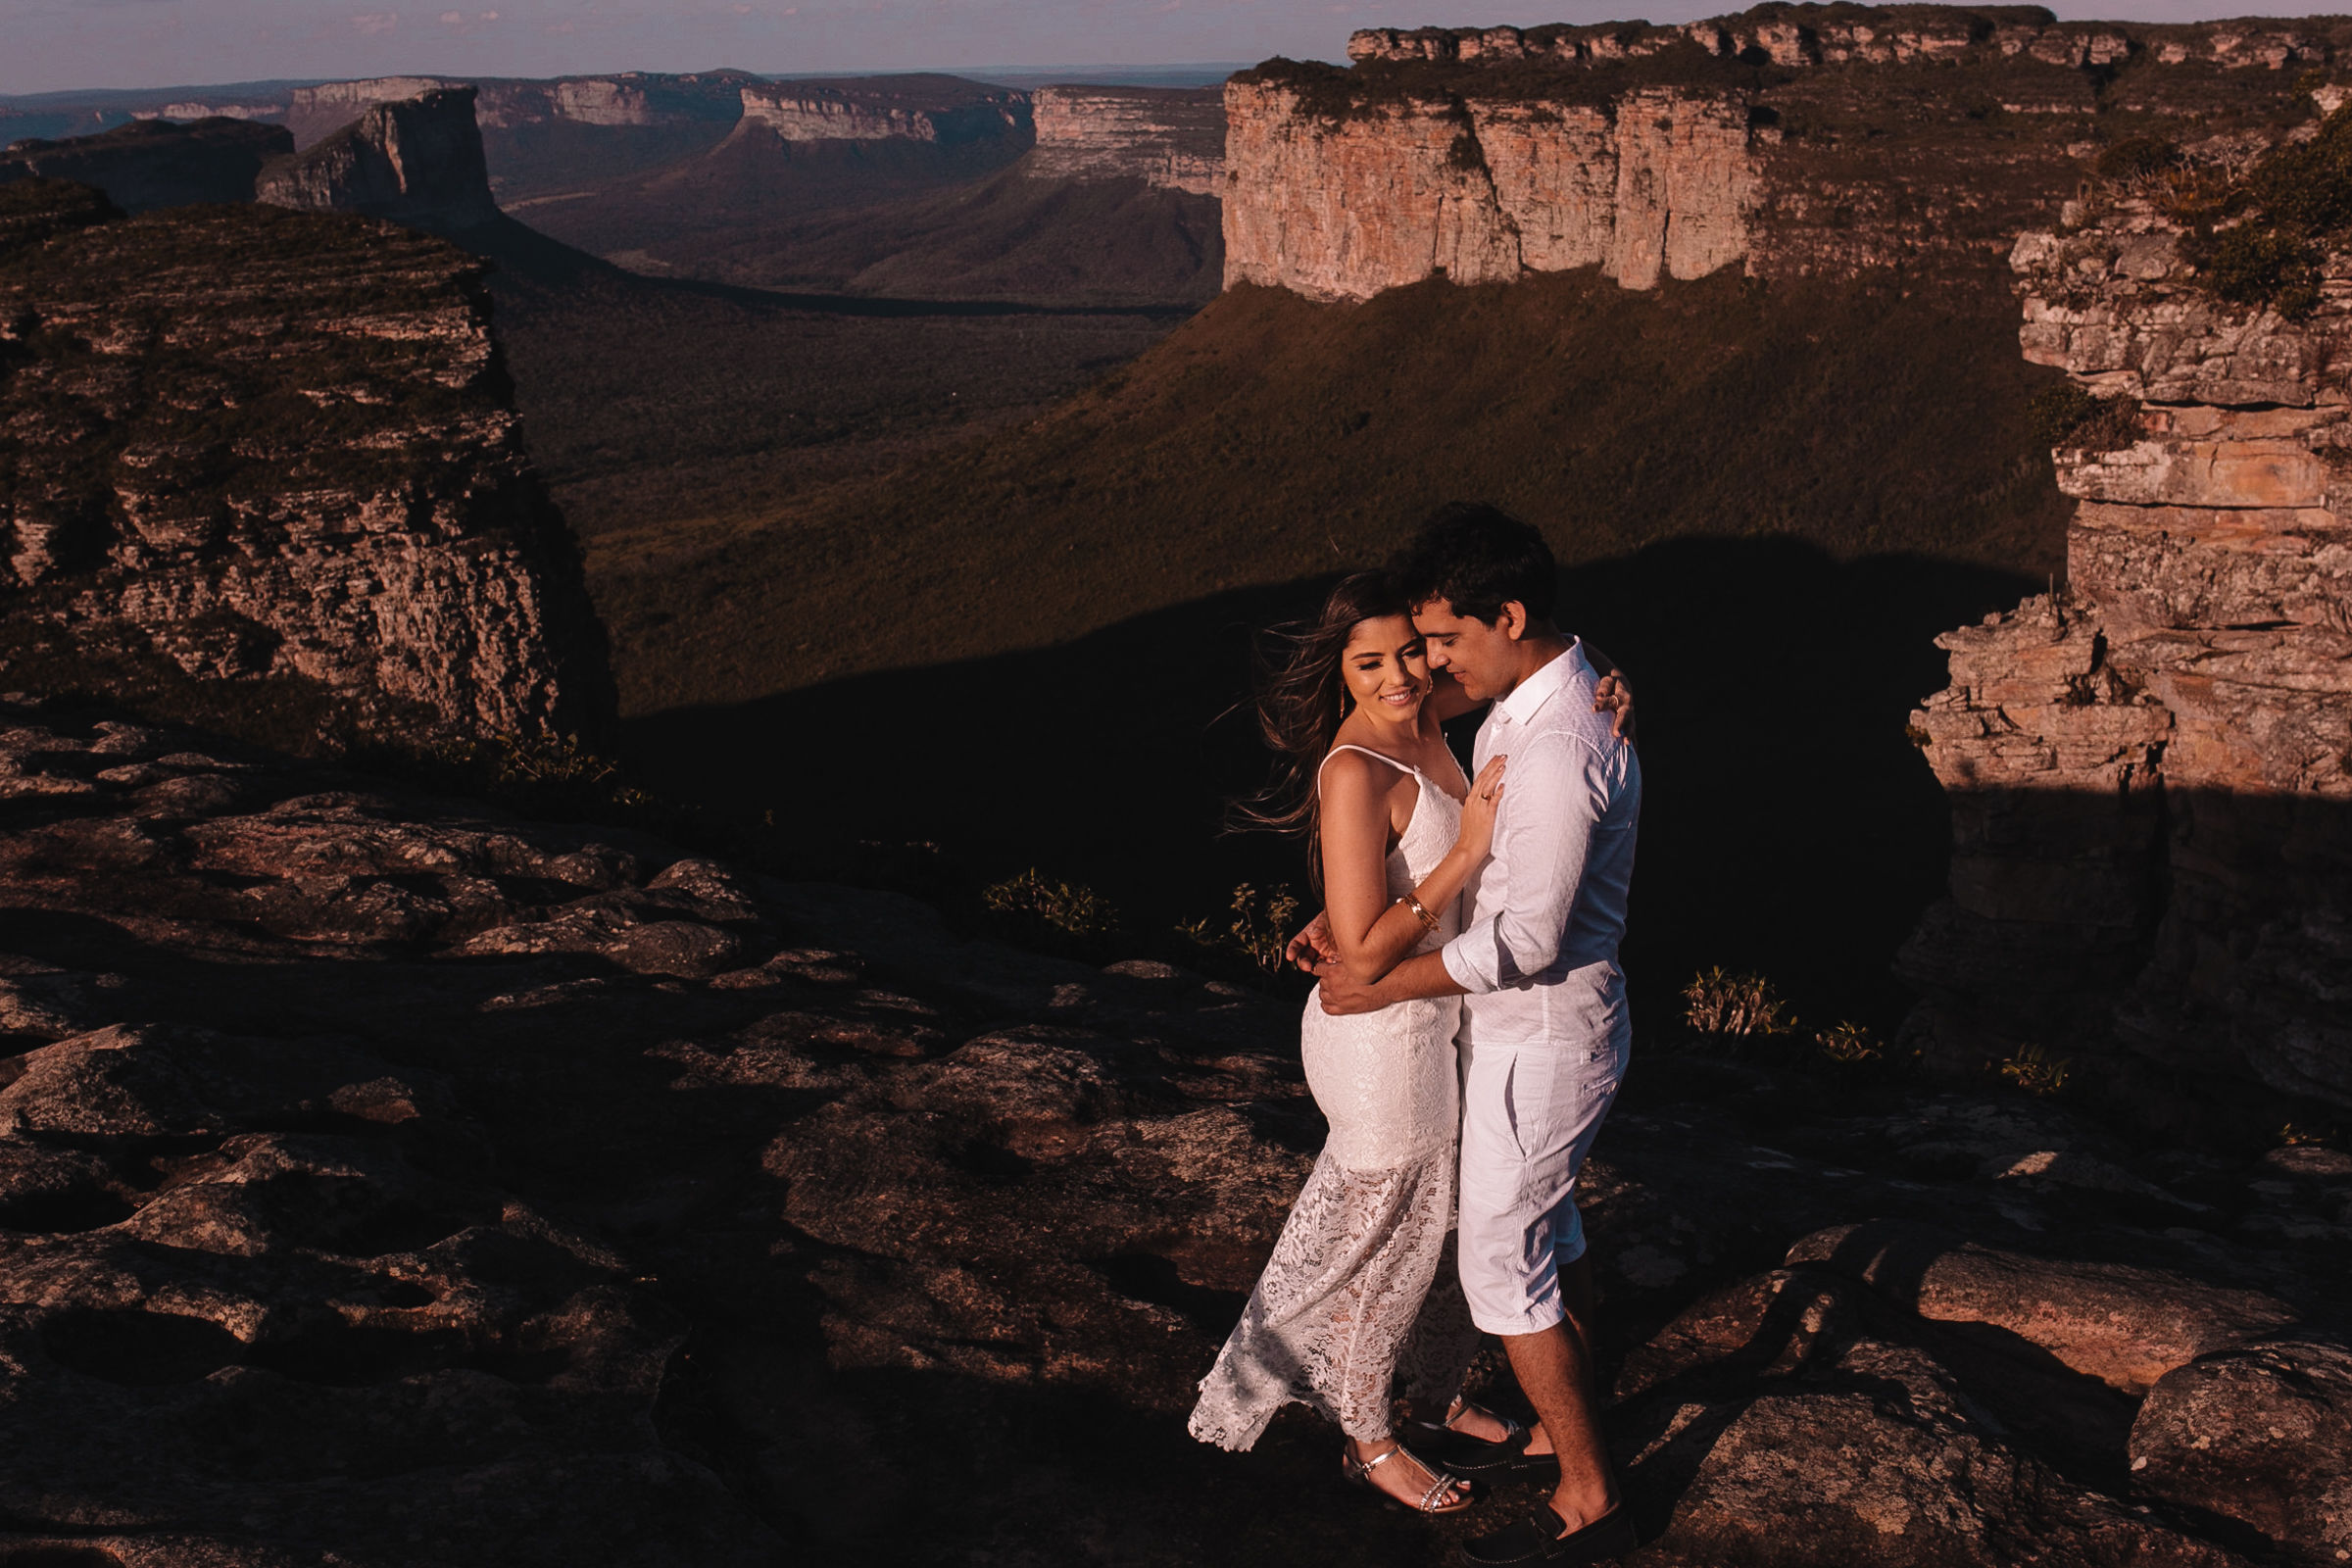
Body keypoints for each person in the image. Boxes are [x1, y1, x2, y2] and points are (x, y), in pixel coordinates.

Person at [1311, 505, 1642, 1566]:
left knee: (1502, 1262)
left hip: (1537, 1032)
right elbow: (1393, 706)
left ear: (1507, 616)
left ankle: (1592, 1498)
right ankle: (1572, 1420)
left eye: (1446, 640)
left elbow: (1529, 937)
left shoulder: (1554, 744)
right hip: (1529, 1031)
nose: (1432, 665)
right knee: (1554, 1231)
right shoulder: (1540, 683)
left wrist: (1377, 981)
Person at [1186, 570, 1505, 1515]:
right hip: (1380, 1038)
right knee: (1390, 1240)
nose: (1400, 675)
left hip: (1432, 1018)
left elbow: (1515, 670)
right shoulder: (1355, 767)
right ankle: (1370, 1441)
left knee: (1443, 1226)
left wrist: (1610, 687)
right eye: (1370, 662)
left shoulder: (1429, 709)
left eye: (1411, 650)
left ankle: (1437, 1392)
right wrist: (1467, 855)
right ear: (1340, 673)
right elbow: (1363, 959)